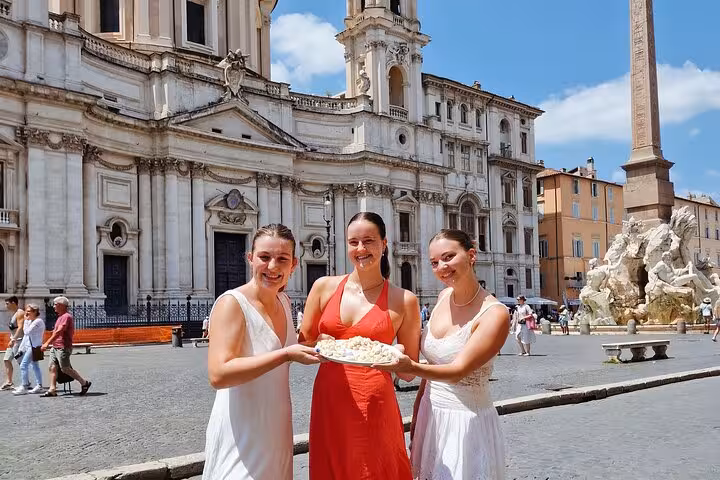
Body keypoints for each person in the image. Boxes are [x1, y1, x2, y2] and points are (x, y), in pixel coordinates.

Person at [371, 229, 509, 480]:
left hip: (465, 421)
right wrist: (417, 414)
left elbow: (458, 372)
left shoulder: (495, 314)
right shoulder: (444, 296)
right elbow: (433, 367)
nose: (441, 267)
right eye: (434, 262)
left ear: (471, 255)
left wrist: (409, 366)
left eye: (448, 257)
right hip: (430, 414)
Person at [299, 212, 420, 480]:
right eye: (354, 242)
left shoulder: (405, 300)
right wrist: (318, 343)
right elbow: (304, 342)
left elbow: (408, 372)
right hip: (329, 400)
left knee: (374, 469)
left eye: (369, 241)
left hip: (374, 402)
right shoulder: (323, 287)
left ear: (384, 244)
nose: (361, 249)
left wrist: (398, 359)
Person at [203, 224, 321, 480]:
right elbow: (218, 374)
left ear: (294, 265)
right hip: (241, 433)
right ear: (250, 258)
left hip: (276, 431)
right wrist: (286, 355)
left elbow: (290, 347)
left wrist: (326, 343)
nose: (272, 267)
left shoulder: (284, 301)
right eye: (264, 257)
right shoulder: (231, 304)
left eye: (282, 259)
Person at [40, 296, 91, 397]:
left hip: (63, 347)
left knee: (65, 368)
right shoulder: (60, 317)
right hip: (55, 347)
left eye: (55, 304)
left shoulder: (67, 317)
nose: (53, 306)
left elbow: (59, 331)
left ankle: (84, 383)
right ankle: (52, 389)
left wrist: (47, 343)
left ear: (61, 305)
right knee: (52, 367)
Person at [12, 304, 45, 395]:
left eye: (29, 311)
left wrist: (26, 322)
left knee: (23, 365)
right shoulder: (32, 321)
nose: (26, 313)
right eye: (26, 310)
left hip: (34, 346)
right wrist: (21, 348)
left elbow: (26, 332)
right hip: (30, 346)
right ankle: (39, 385)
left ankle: (24, 386)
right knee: (35, 366)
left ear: (35, 312)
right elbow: (27, 337)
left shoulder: (38, 321)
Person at [2, 296, 25, 390]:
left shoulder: (20, 313)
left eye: (7, 303)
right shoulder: (14, 314)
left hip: (19, 341)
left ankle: (26, 382)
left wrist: (13, 339)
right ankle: (9, 382)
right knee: (6, 359)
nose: (6, 306)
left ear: (13, 303)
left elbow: (20, 327)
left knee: (22, 363)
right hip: (13, 341)